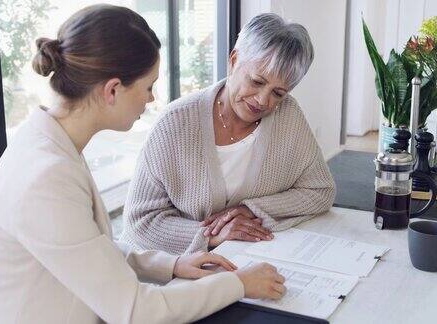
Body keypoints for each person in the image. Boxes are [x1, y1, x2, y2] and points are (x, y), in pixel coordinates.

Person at [0, 5, 285, 324]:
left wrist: (172, 265)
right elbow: (137, 311)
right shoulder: (45, 177)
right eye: (148, 87)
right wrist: (239, 283)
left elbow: (88, 249)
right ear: (112, 90)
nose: (151, 100)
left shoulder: (50, 142)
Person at [121, 13, 336, 255]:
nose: (263, 100)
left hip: (252, 258)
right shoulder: (175, 123)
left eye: (278, 93)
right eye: (256, 81)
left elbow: (320, 191)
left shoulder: (288, 116)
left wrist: (250, 210)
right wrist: (211, 235)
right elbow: (139, 223)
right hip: (175, 267)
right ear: (234, 60)